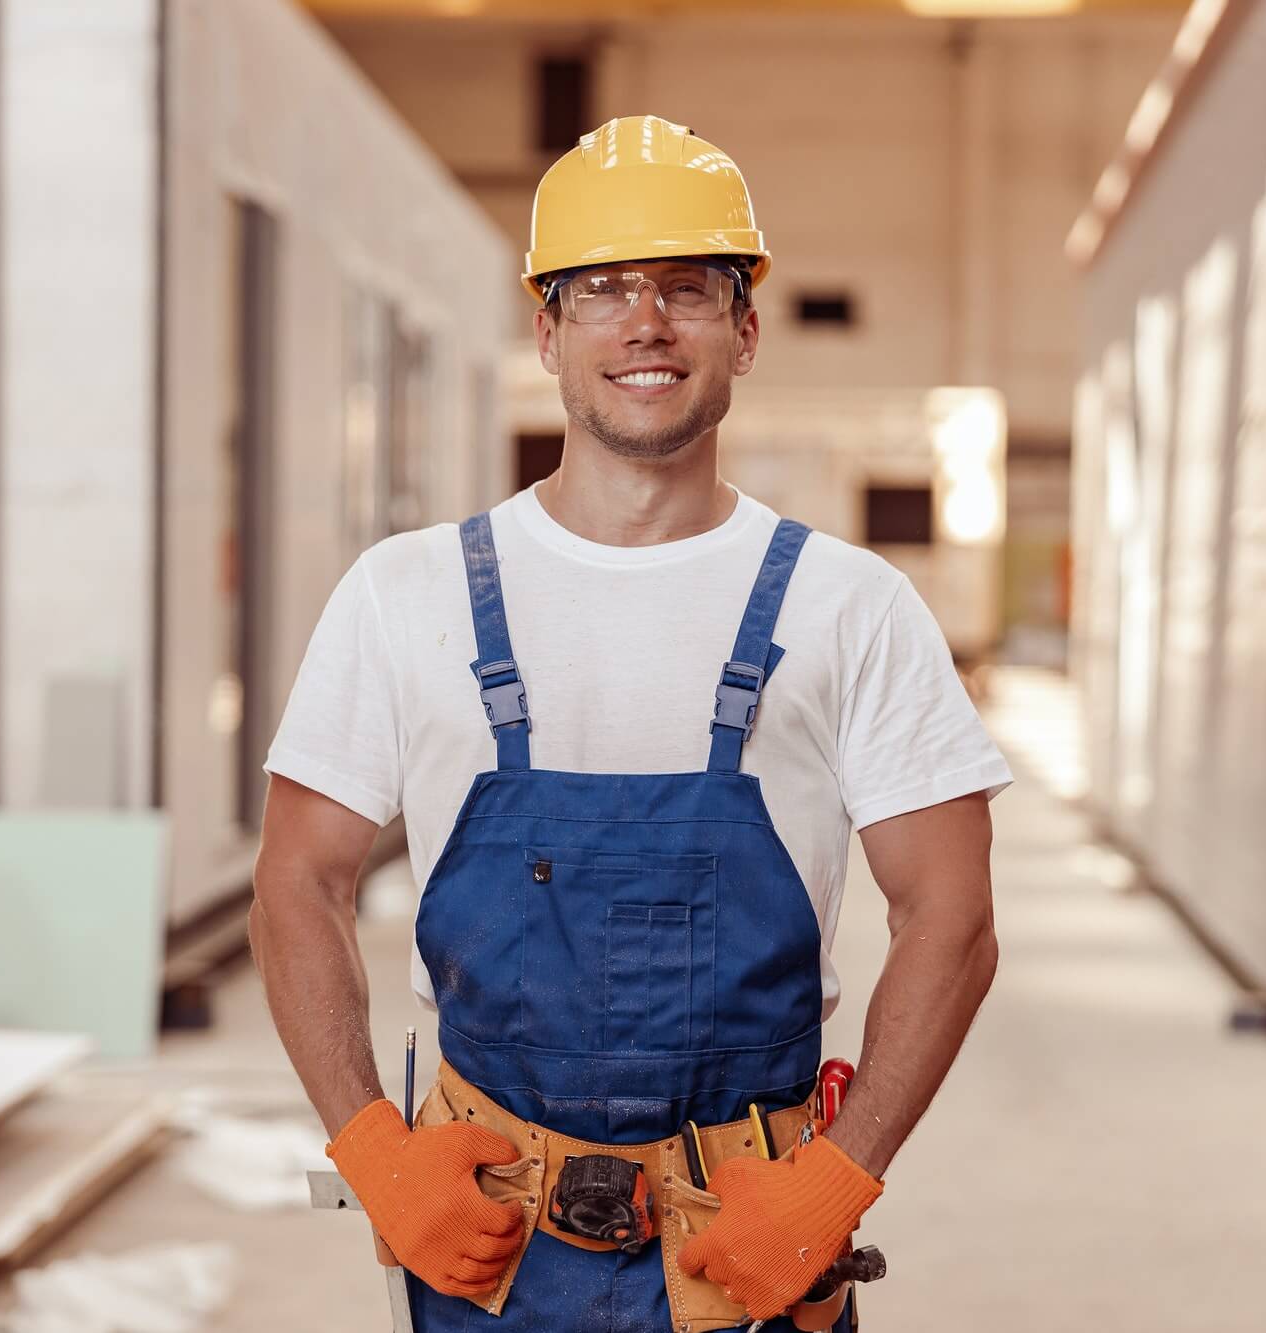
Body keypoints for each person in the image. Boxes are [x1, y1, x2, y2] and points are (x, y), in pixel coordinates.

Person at [251, 114, 1011, 1332]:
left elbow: (952, 919)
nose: (643, 322)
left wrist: (834, 1180)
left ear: (745, 330)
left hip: (748, 1245)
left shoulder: (850, 606)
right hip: (486, 1246)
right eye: (599, 289)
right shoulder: (406, 593)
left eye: (688, 289)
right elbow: (297, 881)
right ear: (546, 332)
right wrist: (373, 1152)